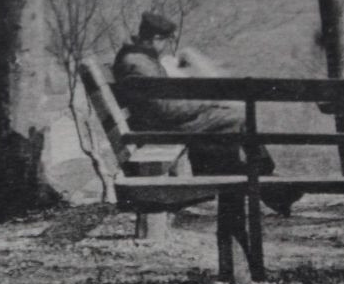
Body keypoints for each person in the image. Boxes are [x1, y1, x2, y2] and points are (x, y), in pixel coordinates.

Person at [111, 12, 296, 229]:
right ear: (156, 39)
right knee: (235, 117)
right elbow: (165, 109)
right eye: (167, 42)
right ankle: (262, 182)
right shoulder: (138, 63)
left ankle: (260, 180)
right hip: (160, 127)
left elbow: (163, 104)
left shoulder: (139, 59)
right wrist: (204, 103)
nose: (167, 48)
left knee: (231, 116)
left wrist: (203, 104)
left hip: (157, 124)